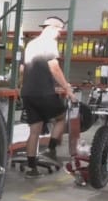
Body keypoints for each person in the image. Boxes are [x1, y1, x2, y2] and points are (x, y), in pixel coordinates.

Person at [20, 16, 78, 178]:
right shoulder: (49, 43)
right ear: (51, 28)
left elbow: (22, 70)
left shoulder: (31, 44)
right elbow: (54, 68)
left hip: (28, 93)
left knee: (35, 130)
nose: (59, 34)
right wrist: (67, 89)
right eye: (59, 31)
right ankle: (51, 150)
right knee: (61, 117)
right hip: (43, 92)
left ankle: (32, 168)